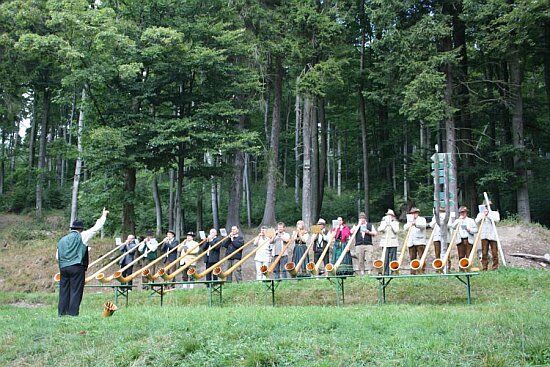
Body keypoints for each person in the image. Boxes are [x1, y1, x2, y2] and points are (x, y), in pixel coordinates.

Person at [57, 208, 108, 316]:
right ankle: (72, 314)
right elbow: (96, 228)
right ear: (80, 229)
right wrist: (103, 215)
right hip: (76, 267)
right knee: (76, 291)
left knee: (64, 291)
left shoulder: (62, 240)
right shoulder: (82, 236)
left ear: (72, 228)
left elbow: (57, 256)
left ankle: (62, 313)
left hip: (63, 268)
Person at [475, 201, 501, 270]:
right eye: (486, 205)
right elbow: (476, 221)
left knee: (494, 252)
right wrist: (483, 215)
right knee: (484, 252)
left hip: (492, 235)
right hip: (484, 235)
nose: (487, 207)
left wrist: (488, 215)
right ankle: (484, 267)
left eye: (488, 205)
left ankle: (495, 267)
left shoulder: (494, 213)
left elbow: (497, 220)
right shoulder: (480, 214)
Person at [450, 206, 478, 270]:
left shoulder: (471, 220)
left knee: (468, 255)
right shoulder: (457, 220)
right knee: (461, 256)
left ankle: (468, 268)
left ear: (466, 212)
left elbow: (476, 230)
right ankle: (461, 269)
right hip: (460, 240)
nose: (462, 214)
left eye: (463, 212)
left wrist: (469, 230)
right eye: (461, 212)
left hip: (468, 240)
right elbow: (453, 226)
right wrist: (458, 220)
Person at [404, 207, 427, 274]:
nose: (414, 214)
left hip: (420, 241)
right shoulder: (409, 221)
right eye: (412, 213)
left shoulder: (422, 219)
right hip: (411, 242)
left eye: (415, 213)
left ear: (417, 213)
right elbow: (405, 228)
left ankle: (422, 271)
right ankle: (413, 272)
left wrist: (415, 224)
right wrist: (410, 223)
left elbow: (423, 226)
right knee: (412, 258)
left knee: (421, 257)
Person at [377, 209, 400, 275]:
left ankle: (393, 272)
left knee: (393, 258)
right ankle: (385, 272)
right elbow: (379, 229)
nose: (389, 216)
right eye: (388, 215)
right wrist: (385, 224)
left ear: (393, 216)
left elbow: (396, 230)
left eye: (390, 215)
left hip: (393, 243)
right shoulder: (383, 222)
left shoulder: (395, 222)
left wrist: (391, 224)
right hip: (384, 243)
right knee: (385, 258)